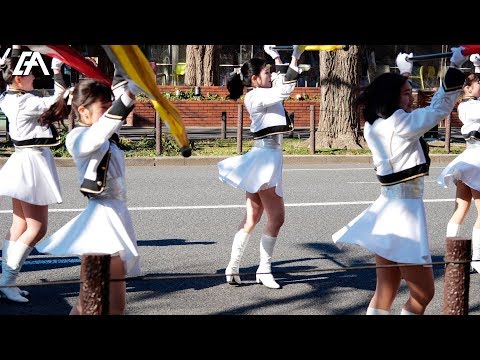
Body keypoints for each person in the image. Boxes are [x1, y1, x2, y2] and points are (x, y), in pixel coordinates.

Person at [331, 48, 468, 315]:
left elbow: (400, 107)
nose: (412, 98)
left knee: (386, 289)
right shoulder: (400, 124)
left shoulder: (373, 123)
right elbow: (438, 109)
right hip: (404, 214)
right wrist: (454, 65)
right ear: (392, 98)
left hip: (386, 210)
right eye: (406, 93)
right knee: (424, 293)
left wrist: (403, 73)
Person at [35, 68, 142, 315]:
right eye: (103, 108)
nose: (109, 114)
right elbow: (102, 130)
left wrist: (129, 78)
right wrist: (130, 93)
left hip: (117, 215)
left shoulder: (106, 134)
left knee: (111, 307)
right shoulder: (78, 138)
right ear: (82, 111)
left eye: (109, 107)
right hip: (99, 222)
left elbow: (109, 122)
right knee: (92, 305)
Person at [217, 45, 302, 289]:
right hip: (266, 159)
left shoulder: (264, 91)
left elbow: (285, 82)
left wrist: (276, 57)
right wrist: (296, 55)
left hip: (265, 156)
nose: (271, 74)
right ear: (255, 79)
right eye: (267, 72)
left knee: (253, 217)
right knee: (277, 218)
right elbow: (285, 89)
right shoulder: (256, 96)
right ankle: (264, 270)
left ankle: (233, 266)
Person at [0, 45, 66, 303]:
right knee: (37, 228)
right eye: (30, 75)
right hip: (32, 163)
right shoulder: (27, 102)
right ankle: (7, 280)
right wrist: (58, 71)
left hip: (22, 161)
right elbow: (59, 99)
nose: (35, 78)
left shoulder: (7, 98)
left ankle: (7, 279)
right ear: (18, 78)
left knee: (20, 224)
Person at [436, 53, 480, 273]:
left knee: (461, 208)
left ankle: (451, 255)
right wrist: (477, 68)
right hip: (476, 161)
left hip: (468, 160)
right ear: (469, 88)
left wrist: (477, 66)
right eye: (477, 83)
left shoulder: (468, 105)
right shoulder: (471, 107)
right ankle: (477, 260)